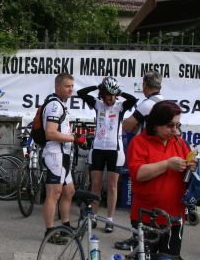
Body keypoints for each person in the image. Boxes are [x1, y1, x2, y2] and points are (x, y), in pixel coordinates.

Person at [123, 100, 196, 260]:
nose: (175, 130)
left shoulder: (179, 143)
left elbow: (187, 167)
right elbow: (139, 174)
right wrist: (167, 164)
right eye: (170, 125)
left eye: (177, 125)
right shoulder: (140, 142)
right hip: (146, 216)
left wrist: (192, 167)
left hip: (174, 216)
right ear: (155, 125)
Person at [76, 77, 137, 233]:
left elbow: (133, 99)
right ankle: (94, 217)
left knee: (112, 186)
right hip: (97, 149)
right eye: (107, 95)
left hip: (115, 151)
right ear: (102, 94)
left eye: (113, 95)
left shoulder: (120, 106)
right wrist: (98, 86)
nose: (110, 98)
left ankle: (109, 219)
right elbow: (81, 93)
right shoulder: (98, 105)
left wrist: (118, 91)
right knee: (95, 186)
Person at [115, 70, 164, 250]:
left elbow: (128, 125)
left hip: (146, 154)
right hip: (162, 153)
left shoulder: (147, 104)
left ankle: (138, 239)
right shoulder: (166, 102)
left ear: (144, 85)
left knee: (141, 197)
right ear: (160, 86)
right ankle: (153, 237)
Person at [42, 73, 86, 244]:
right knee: (54, 194)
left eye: (72, 86)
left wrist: (74, 138)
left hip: (64, 155)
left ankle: (66, 226)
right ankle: (50, 231)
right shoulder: (54, 105)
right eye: (67, 86)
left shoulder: (61, 104)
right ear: (57, 87)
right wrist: (74, 138)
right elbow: (50, 133)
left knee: (69, 191)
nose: (71, 89)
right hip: (55, 154)